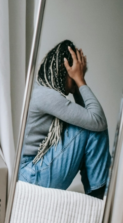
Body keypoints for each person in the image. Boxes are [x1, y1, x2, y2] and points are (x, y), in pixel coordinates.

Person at [18, 40, 110, 199]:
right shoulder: (47, 96)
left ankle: (97, 193)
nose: (78, 77)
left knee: (90, 125)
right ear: (65, 70)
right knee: (92, 128)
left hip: (29, 173)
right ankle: (99, 195)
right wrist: (80, 82)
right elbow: (97, 120)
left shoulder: (41, 90)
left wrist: (76, 88)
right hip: (31, 177)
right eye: (75, 73)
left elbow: (90, 117)